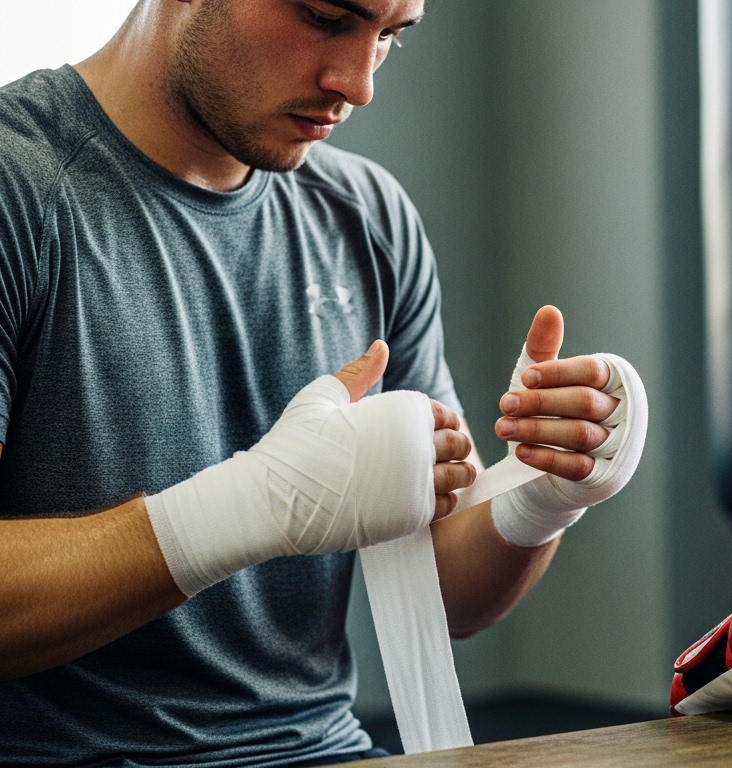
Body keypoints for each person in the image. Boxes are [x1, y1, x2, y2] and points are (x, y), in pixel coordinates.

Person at [0, 0, 641, 764]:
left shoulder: (368, 216)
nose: (361, 84)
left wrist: (541, 494)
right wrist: (253, 504)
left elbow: (448, 598)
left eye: (390, 36)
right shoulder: (23, 187)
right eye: (326, 16)